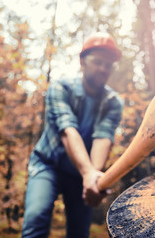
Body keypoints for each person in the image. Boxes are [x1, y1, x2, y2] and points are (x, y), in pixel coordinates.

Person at [21, 32, 123, 238]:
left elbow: (103, 138)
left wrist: (94, 179)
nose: (103, 68)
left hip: (80, 175)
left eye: (108, 65)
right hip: (48, 165)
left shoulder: (113, 102)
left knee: (79, 231)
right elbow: (68, 131)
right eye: (98, 62)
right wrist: (89, 173)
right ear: (82, 62)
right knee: (37, 216)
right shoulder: (61, 87)